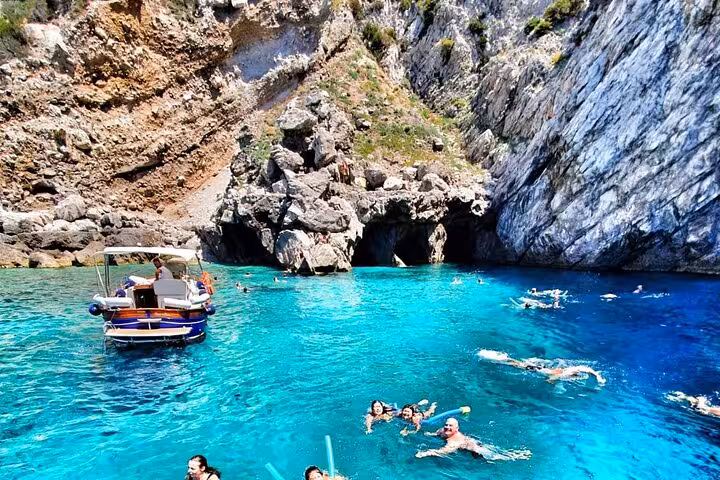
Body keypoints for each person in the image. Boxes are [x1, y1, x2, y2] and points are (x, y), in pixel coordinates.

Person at [416, 418, 531, 460]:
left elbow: (445, 451)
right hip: (469, 442)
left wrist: (427, 452)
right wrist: (430, 434)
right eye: (447, 424)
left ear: (457, 428)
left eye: (451, 426)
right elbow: (438, 433)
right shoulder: (442, 430)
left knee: (495, 456)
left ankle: (516, 456)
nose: (447, 427)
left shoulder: (454, 441)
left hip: (471, 448)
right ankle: (515, 455)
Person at [485, 352, 606, 385]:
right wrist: (551, 383)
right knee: (518, 366)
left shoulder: (573, 369)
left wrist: (598, 376)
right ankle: (501, 360)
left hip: (542, 367)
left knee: (519, 364)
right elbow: (550, 379)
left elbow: (588, 369)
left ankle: (503, 359)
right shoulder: (564, 374)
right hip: (537, 369)